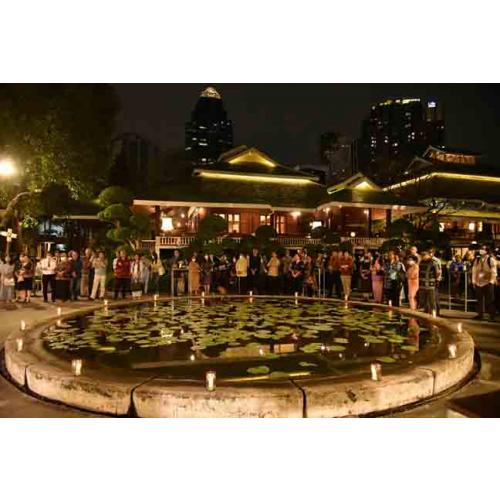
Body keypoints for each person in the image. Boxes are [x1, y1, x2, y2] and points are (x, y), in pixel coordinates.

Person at [471, 245, 497, 321]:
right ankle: (480, 315)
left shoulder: (490, 259)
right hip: (479, 282)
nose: (481, 250)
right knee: (479, 300)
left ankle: (492, 316)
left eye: (483, 249)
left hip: (488, 282)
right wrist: (473, 281)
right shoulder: (477, 259)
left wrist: (491, 281)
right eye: (481, 249)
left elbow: (494, 271)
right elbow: (474, 271)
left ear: (487, 251)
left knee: (490, 300)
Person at [418, 249, 440, 314]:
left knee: (432, 300)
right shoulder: (421, 262)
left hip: (431, 285)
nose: (422, 256)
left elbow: (437, 273)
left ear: (428, 255)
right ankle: (425, 313)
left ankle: (434, 313)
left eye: (424, 255)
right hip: (422, 284)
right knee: (423, 300)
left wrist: (437, 280)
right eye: (422, 255)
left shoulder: (433, 262)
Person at [430, 248, 443, 315]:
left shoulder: (436, 260)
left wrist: (438, 279)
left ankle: (437, 310)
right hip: (428, 281)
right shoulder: (427, 260)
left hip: (434, 280)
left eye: (431, 252)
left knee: (435, 296)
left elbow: (439, 271)